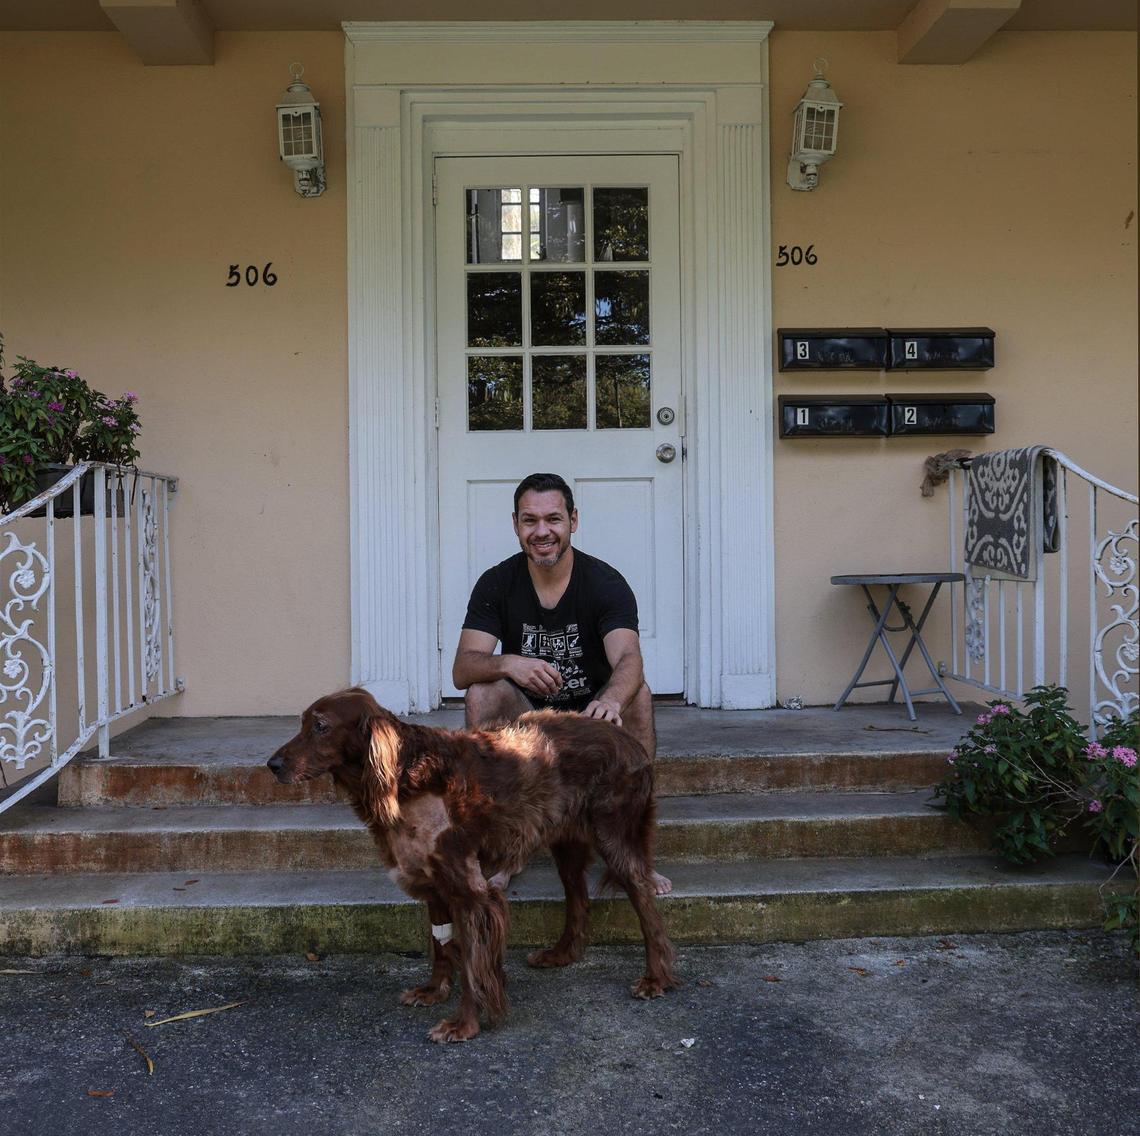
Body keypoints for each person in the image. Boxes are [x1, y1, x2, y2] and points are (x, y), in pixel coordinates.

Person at [453, 472, 672, 896]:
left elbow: (629, 658)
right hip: (529, 716)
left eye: (552, 519)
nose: (542, 532)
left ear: (573, 520)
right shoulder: (497, 583)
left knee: (637, 695)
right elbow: (463, 669)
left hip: (592, 715)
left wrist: (609, 700)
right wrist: (509, 662)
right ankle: (501, 851)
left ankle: (635, 853)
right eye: (529, 520)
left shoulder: (605, 583)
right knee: (482, 691)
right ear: (515, 524)